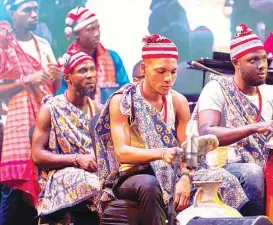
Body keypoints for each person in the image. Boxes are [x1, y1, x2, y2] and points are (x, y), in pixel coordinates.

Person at [95, 34, 247, 225]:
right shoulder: (123, 101)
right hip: (132, 174)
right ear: (144, 68)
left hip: (171, 170)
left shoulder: (178, 101)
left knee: (224, 178)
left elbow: (188, 148)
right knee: (150, 185)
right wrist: (162, 153)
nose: (168, 78)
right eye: (161, 71)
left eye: (173, 72)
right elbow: (122, 153)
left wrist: (185, 177)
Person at [196, 23, 273, 216]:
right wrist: (254, 127)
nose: (261, 65)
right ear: (236, 62)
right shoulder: (216, 89)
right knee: (253, 172)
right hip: (220, 168)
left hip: (263, 164)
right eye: (252, 60)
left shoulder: (271, 93)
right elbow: (206, 131)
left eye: (263, 59)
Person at [0, 0, 61, 225]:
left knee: (48, 185)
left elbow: (53, 88)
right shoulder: (0, 46)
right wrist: (24, 81)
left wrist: (56, 76)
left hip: (45, 123)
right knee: (12, 188)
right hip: (13, 128)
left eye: (35, 9)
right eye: (27, 10)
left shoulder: (43, 44)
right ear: (12, 12)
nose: (34, 14)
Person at [32, 50, 102, 224]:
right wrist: (77, 159)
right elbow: (37, 155)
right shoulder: (51, 109)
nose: (90, 75)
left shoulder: (100, 110)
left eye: (92, 69)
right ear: (67, 77)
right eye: (83, 71)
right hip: (61, 173)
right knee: (94, 185)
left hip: (95, 170)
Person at [58, 6, 129, 104]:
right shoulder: (66, 62)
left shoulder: (113, 58)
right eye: (90, 29)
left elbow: (126, 92)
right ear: (77, 34)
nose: (97, 33)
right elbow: (61, 99)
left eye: (98, 28)